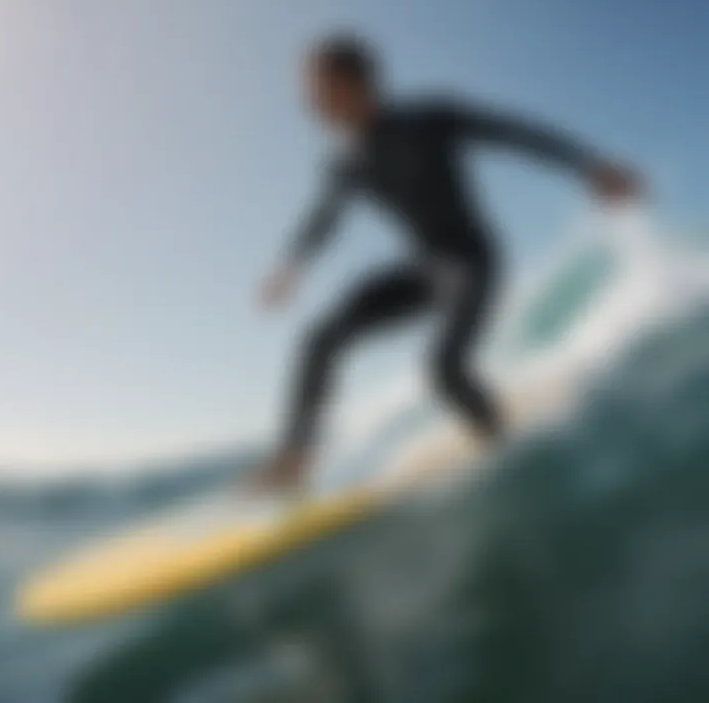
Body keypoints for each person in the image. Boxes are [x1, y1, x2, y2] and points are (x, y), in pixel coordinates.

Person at [257, 34, 639, 490]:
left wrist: (589, 166)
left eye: (319, 88)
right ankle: (294, 460)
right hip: (424, 270)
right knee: (320, 337)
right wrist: (292, 264)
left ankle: (501, 441)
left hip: (471, 260)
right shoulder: (346, 162)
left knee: (443, 369)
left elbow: (513, 133)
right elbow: (324, 217)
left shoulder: (430, 119)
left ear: (355, 81)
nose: (311, 101)